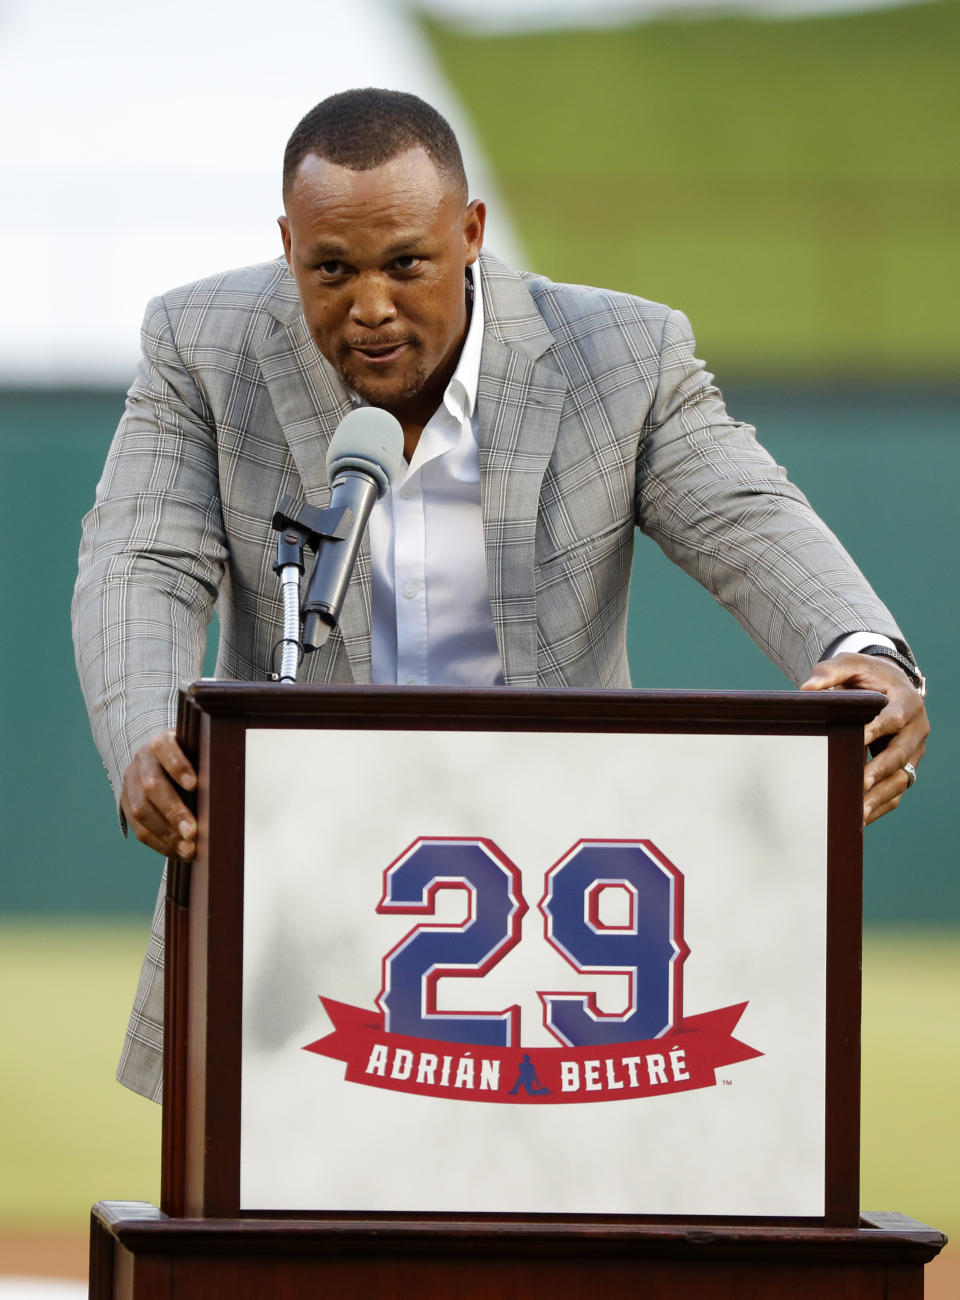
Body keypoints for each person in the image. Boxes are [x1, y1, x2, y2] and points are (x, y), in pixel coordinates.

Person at [73, 88, 928, 1101]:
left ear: (470, 232)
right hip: (298, 895)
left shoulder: (624, 355)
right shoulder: (201, 344)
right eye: (331, 269)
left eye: (407, 263)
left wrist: (866, 644)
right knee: (269, 1250)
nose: (372, 305)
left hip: (560, 911)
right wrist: (141, 732)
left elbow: (746, 514)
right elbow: (141, 559)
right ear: (287, 245)